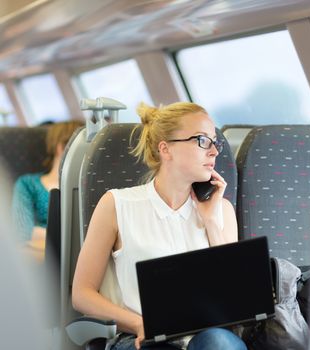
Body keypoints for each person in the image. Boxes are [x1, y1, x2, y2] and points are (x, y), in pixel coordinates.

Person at [72, 102, 247, 350]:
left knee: (218, 342)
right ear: (166, 149)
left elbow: (233, 302)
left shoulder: (222, 211)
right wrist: (139, 324)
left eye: (214, 142)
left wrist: (211, 224)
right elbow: (82, 294)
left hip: (207, 337)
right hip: (139, 337)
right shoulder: (117, 204)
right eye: (202, 141)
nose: (214, 152)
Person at [12, 120, 84, 260]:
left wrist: (41, 232)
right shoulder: (27, 184)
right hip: (43, 258)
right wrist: (71, 239)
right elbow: (23, 231)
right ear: (61, 147)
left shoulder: (89, 186)